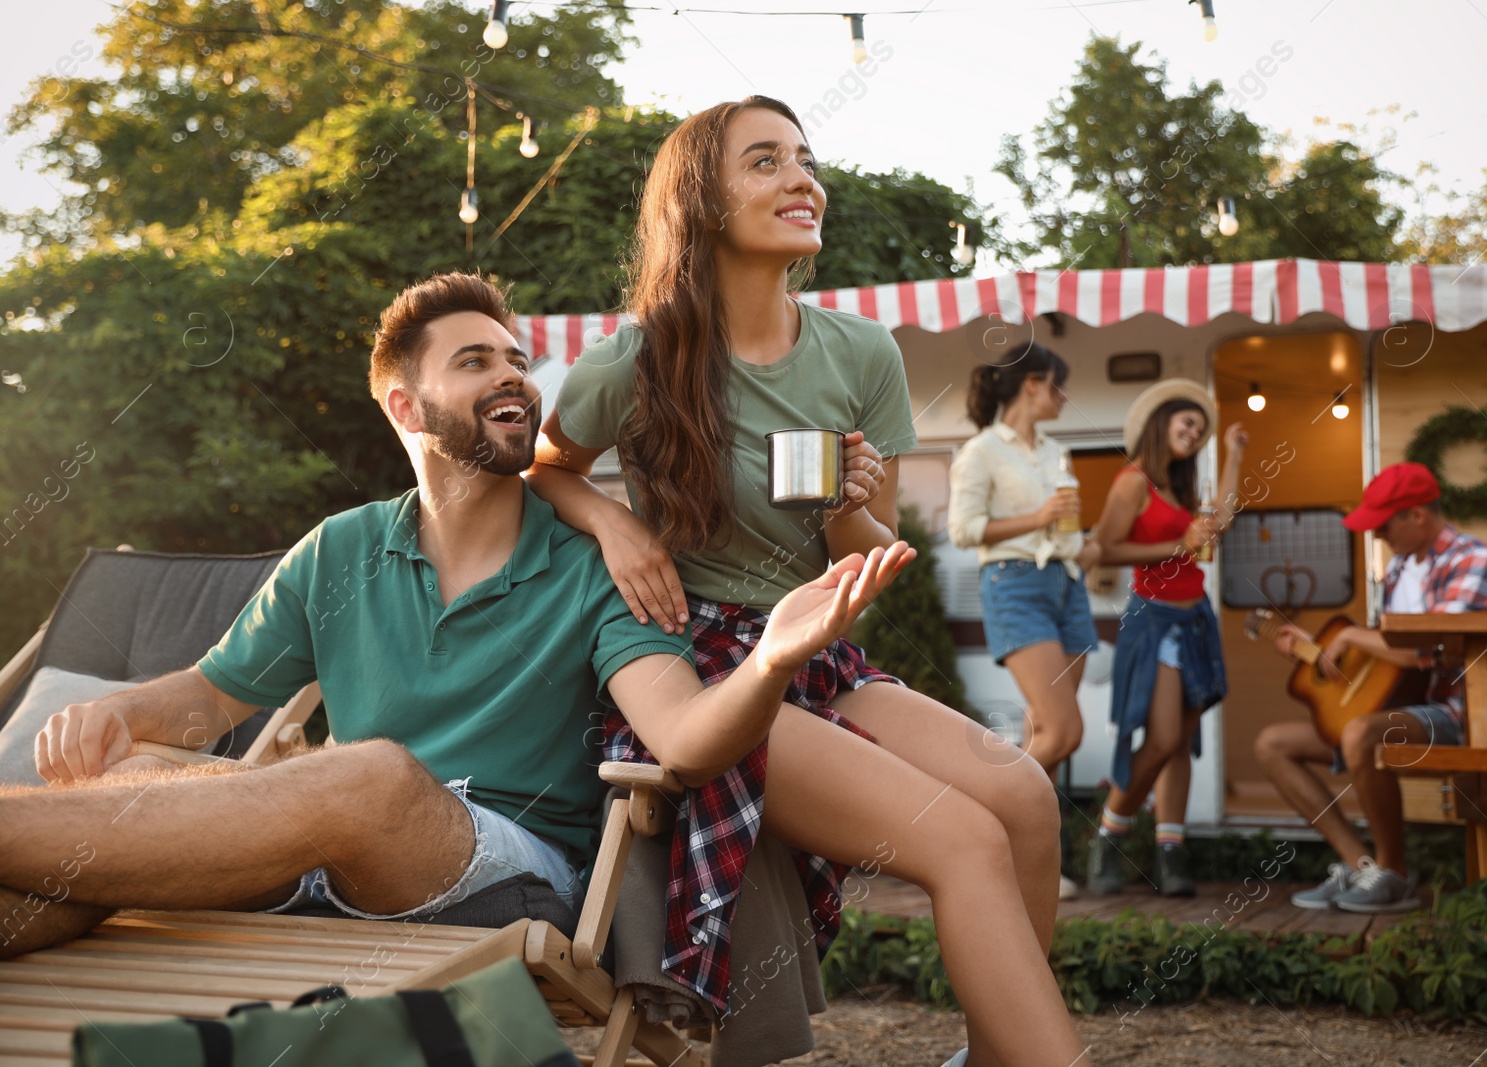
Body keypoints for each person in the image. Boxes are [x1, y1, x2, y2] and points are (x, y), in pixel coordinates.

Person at [1, 272, 909, 965]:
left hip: (506, 874)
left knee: (371, 777)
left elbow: (685, 739)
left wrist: (769, 662)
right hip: (319, 858)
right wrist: (123, 716)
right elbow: (209, 699)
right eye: (475, 361)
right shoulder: (340, 549)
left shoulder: (597, 564)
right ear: (405, 405)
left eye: (517, 358)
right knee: (128, 780)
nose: (513, 374)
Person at [527, 96, 1087, 1064]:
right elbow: (545, 470)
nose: (801, 179)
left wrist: (848, 509)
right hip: (705, 665)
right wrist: (613, 519)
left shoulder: (859, 352)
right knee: (961, 839)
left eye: (805, 157)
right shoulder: (638, 357)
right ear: (701, 202)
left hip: (819, 653)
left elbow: (864, 552)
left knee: (1025, 796)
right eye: (765, 161)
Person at [1256, 462, 1487, 912]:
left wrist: (1349, 636)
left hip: (1456, 714)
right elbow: (1386, 663)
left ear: (1417, 515)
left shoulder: (1476, 561)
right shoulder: (1397, 570)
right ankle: (1365, 868)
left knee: (1359, 733)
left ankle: (1396, 874)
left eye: (1383, 524)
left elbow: (1433, 652)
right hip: (1400, 709)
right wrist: (1317, 651)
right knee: (1272, 744)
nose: (1376, 536)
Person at [948, 341, 1102, 901]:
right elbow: (965, 529)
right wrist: (1036, 518)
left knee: (1046, 730)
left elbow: (1063, 527)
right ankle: (978, 825)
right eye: (1058, 384)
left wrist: (1083, 544)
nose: (1064, 395)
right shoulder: (982, 451)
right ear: (1032, 383)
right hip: (1014, 583)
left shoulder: (1057, 451)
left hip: (1067, 584)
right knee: (1064, 731)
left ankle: (1030, 864)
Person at [1085, 379, 1247, 897]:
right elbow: (1103, 549)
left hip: (1195, 617)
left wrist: (1234, 455)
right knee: (1161, 738)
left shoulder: (1182, 488)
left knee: (1180, 742)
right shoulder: (1134, 481)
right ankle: (1109, 833)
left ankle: (1170, 850)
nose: (1194, 432)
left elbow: (1217, 522)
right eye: (1187, 424)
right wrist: (1176, 545)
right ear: (1162, 425)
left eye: (1200, 429)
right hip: (1152, 618)